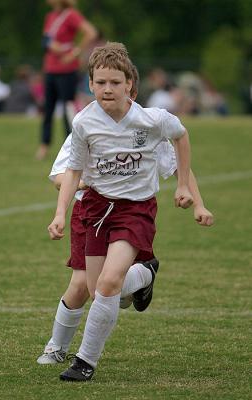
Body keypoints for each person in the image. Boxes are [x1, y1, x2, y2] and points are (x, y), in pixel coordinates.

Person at [37, 58, 214, 366]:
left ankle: (83, 356)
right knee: (85, 287)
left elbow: (177, 164)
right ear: (91, 85)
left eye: (115, 83)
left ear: (130, 84)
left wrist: (196, 200)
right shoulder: (85, 125)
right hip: (88, 210)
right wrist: (89, 185)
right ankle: (56, 347)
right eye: (101, 83)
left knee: (105, 285)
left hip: (129, 210)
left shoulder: (147, 126)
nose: (108, 89)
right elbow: (60, 176)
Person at [36, 0, 97, 160]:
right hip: (50, 68)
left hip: (66, 69)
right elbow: (45, 40)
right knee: (47, 109)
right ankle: (44, 145)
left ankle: (72, 145)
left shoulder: (71, 15)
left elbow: (91, 32)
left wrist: (74, 53)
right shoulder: (50, 16)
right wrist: (52, 46)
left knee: (67, 108)